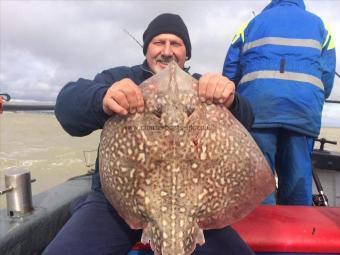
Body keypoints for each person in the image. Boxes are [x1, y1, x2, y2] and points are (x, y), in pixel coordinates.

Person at [44, 13, 255, 255]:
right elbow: (66, 106)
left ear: (186, 53)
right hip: (115, 204)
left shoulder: (203, 88)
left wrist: (232, 101)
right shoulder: (122, 80)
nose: (167, 51)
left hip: (195, 209)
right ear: (147, 50)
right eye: (158, 42)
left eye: (175, 44)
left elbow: (248, 120)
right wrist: (102, 98)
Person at [223, 0, 336, 205]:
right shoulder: (320, 25)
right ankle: (300, 230)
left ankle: (261, 231)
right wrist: (313, 98)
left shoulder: (252, 24)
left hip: (257, 110)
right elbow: (327, 77)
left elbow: (230, 73)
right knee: (298, 177)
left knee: (259, 180)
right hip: (303, 110)